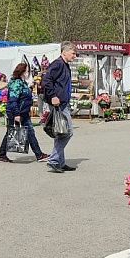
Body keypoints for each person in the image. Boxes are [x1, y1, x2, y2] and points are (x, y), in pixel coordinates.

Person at [0, 63, 49, 163]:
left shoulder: (22, 82)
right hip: (15, 112)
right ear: (22, 72)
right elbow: (13, 99)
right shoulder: (16, 83)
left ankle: (39, 155)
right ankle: (2, 155)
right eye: (27, 71)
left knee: (28, 132)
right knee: (11, 131)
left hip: (23, 112)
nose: (28, 73)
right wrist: (17, 114)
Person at [42, 41, 78, 173]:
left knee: (61, 132)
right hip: (58, 105)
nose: (75, 56)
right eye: (73, 53)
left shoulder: (64, 65)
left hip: (62, 103)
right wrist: (52, 96)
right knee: (68, 132)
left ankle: (60, 163)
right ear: (65, 52)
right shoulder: (58, 64)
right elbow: (46, 81)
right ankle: (53, 160)